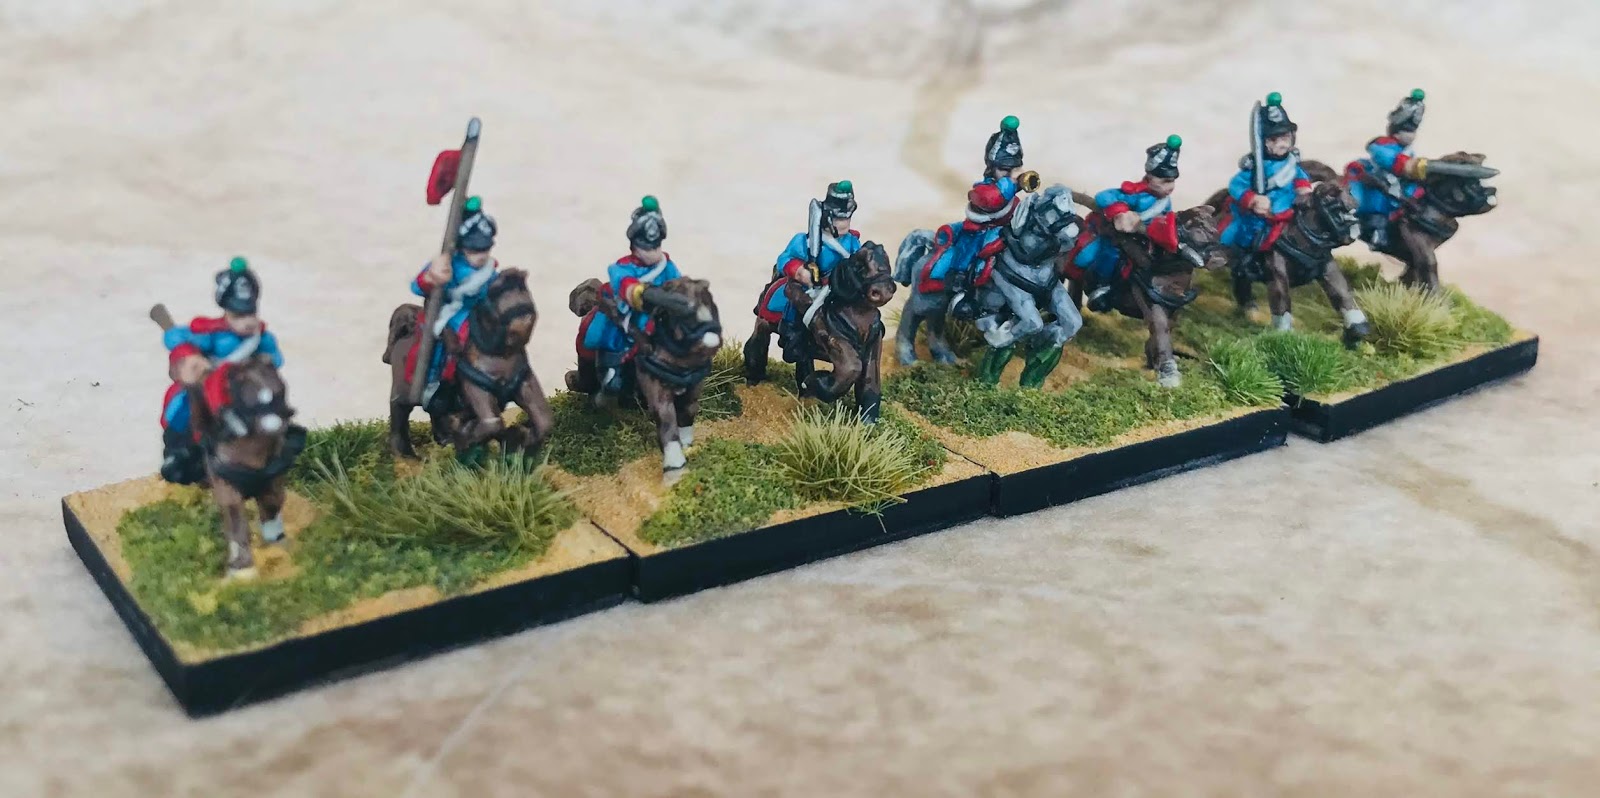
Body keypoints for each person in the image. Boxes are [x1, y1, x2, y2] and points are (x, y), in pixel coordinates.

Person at [159, 257, 284, 486]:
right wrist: (188, 354)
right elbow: (180, 339)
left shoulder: (261, 338)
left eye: (251, 314)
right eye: (239, 316)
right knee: (183, 407)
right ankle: (179, 452)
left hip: (247, 387)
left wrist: (264, 362)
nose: (247, 322)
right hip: (214, 384)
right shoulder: (213, 334)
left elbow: (275, 358)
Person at [917, 116, 1030, 314]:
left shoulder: (1009, 187)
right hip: (980, 229)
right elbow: (992, 199)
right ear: (992, 168)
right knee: (971, 249)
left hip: (1006, 227)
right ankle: (960, 289)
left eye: (1014, 169)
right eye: (1004, 169)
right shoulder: (984, 189)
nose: (1009, 174)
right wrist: (1012, 184)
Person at [580, 195, 683, 400]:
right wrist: (643, 294)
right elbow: (627, 287)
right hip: (624, 318)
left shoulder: (666, 266)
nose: (651, 252)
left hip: (655, 319)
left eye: (655, 247)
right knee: (601, 341)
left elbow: (678, 285)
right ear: (634, 245)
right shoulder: (621, 268)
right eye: (645, 247)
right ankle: (603, 381)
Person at [1067, 135, 1184, 313]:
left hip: (1146, 240)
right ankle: (1100, 287)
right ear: (1150, 177)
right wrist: (1120, 212)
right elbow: (1103, 196)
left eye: (1172, 181)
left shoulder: (1164, 201)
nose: (1170, 187)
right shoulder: (1134, 193)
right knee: (1110, 254)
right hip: (1119, 238)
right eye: (1165, 181)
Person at [409, 196, 498, 409]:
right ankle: (435, 380)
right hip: (451, 313)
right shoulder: (448, 265)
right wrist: (432, 277)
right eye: (474, 249)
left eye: (485, 249)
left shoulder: (489, 269)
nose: (481, 255)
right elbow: (417, 286)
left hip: (480, 311)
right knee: (445, 342)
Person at [757, 181, 863, 361]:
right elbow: (784, 259)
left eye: (847, 218)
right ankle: (793, 337)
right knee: (798, 303)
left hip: (839, 290)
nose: (844, 223)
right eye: (839, 219)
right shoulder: (803, 242)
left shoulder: (852, 242)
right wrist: (800, 271)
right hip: (811, 288)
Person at [1347, 88, 1427, 249]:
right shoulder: (1381, 145)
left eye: (1413, 131)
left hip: (1401, 181)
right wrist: (1407, 166)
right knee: (1379, 200)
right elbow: (1390, 161)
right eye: (1406, 131)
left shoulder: (1407, 150)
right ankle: (1375, 230)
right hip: (1379, 177)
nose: (1411, 135)